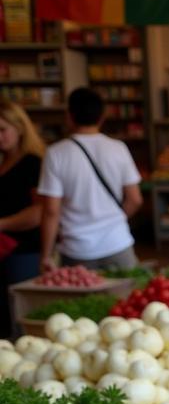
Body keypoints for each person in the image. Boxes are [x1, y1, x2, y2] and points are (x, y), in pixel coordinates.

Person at [38, 86, 143, 271]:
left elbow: (51, 211)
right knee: (125, 298)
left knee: (82, 300)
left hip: (76, 250)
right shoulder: (118, 148)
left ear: (69, 115)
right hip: (117, 243)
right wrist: (114, 221)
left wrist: (46, 256)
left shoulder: (55, 154)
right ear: (102, 116)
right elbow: (135, 199)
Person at [0, 101, 45, 338]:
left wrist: (2, 224)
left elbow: (38, 213)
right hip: (3, 247)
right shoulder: (2, 161)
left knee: (21, 314)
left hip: (24, 250)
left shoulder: (33, 163)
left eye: (2, 130)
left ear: (19, 127)